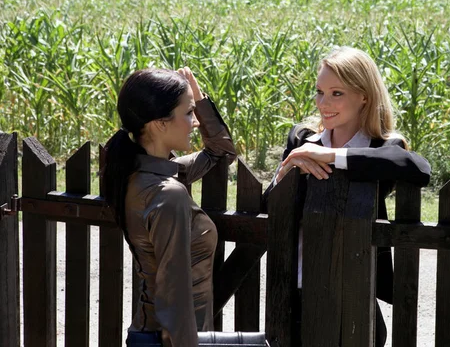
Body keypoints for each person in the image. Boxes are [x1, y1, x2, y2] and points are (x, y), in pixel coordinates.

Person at [265, 46, 431, 347]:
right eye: (319, 92)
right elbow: (269, 206)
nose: (323, 103)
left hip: (356, 299)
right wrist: (287, 171)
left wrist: (330, 155)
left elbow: (419, 168)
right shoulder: (302, 139)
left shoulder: (384, 145)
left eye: (336, 93)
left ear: (364, 95)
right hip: (296, 295)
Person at [102, 67, 236, 347]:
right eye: (188, 114)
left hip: (151, 333)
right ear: (160, 123)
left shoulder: (138, 174)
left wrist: (198, 99)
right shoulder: (167, 193)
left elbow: (221, 151)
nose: (196, 122)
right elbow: (175, 300)